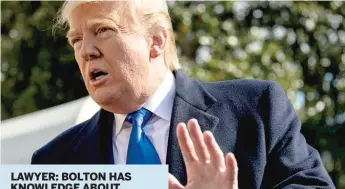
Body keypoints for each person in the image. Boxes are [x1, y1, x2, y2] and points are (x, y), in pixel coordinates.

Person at [31, 1, 335, 188]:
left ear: (156, 41)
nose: (86, 51)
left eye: (103, 31)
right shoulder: (53, 162)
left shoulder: (257, 110)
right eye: (76, 39)